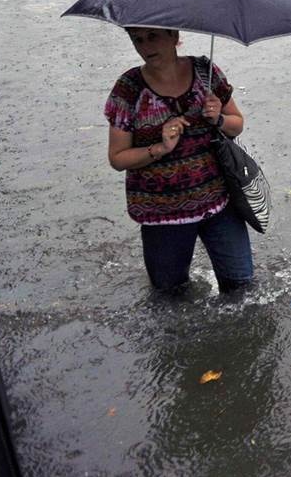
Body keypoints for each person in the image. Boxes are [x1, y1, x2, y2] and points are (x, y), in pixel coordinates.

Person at [105, 28, 253, 292]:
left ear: (174, 37)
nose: (145, 45)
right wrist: (159, 148)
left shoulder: (206, 72)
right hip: (162, 216)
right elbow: (117, 158)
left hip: (220, 204)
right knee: (169, 298)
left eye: (153, 36)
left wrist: (217, 118)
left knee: (242, 288)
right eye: (137, 39)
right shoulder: (128, 89)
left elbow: (236, 124)